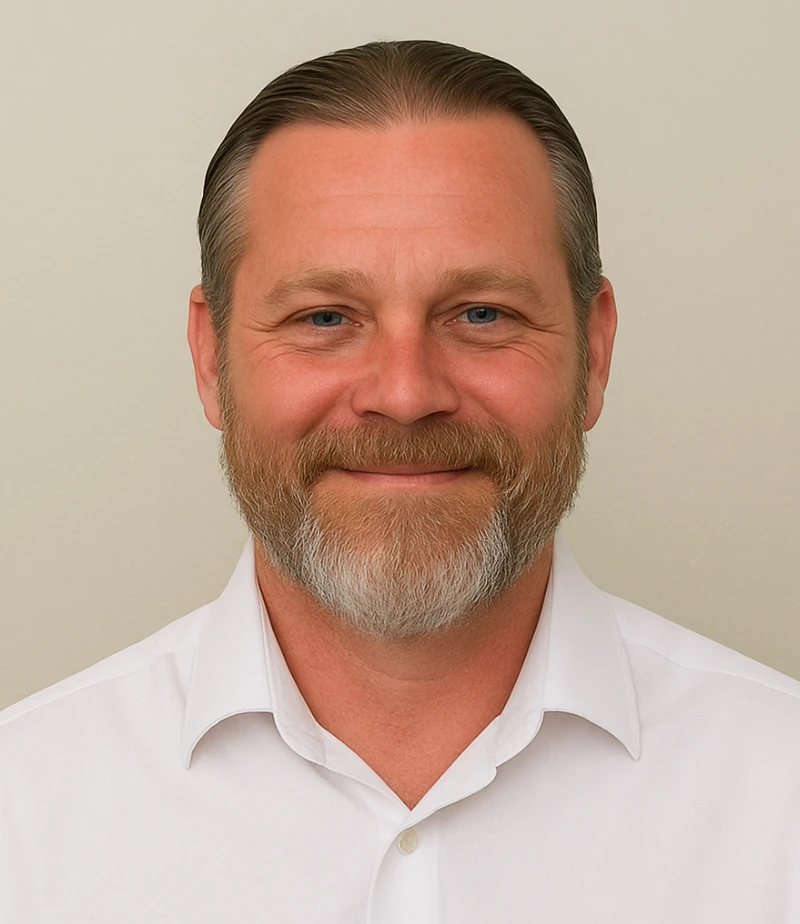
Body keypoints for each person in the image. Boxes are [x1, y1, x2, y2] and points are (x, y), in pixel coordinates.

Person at [1, 39, 798, 923]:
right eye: (325, 316)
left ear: (595, 352)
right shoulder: (23, 816)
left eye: (483, 313)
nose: (407, 395)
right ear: (209, 355)